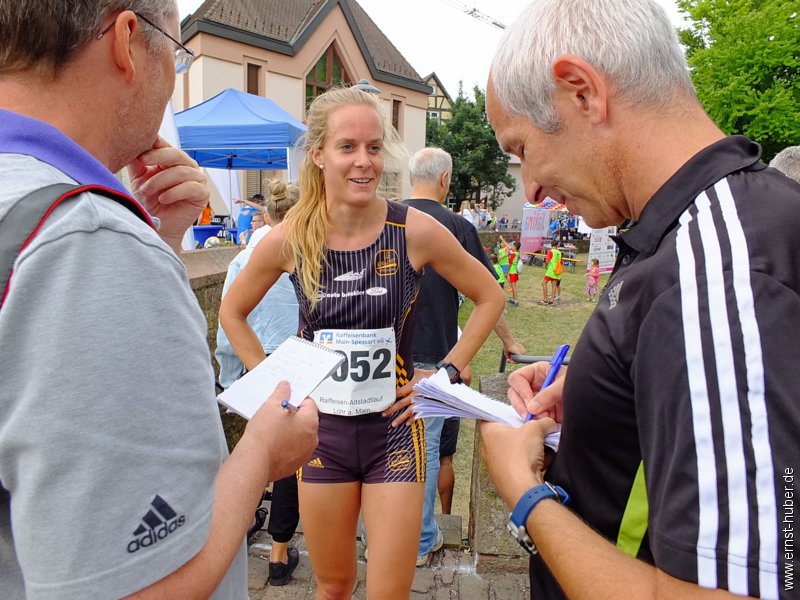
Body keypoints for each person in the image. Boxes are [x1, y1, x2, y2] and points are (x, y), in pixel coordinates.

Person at [481, 1, 800, 598]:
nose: (533, 188)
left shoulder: (713, 268)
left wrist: (527, 499)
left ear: (581, 92)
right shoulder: (689, 233)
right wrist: (605, 392)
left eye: (522, 149)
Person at [0, 2, 319, 598]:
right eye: (177, 53)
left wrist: (159, 241)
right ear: (127, 40)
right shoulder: (84, 241)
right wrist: (258, 457)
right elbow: (138, 586)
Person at [220, 87, 505, 599]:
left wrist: (445, 374)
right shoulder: (291, 236)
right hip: (321, 438)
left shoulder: (413, 229)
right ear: (319, 154)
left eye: (374, 148)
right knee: (333, 587)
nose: (364, 161)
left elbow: (489, 296)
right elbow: (232, 312)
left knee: (388, 592)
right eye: (348, 147)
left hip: (394, 434)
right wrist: (278, 390)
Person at [403, 147, 524, 565]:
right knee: (427, 450)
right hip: (434, 361)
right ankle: (419, 542)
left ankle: (378, 535)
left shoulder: (387, 218)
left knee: (385, 450)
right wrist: (508, 341)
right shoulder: (456, 225)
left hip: (387, 359)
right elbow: (488, 296)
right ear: (445, 181)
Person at [216, 180, 304, 587]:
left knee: (253, 450)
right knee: (287, 459)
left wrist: (233, 371)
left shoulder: (245, 257)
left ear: (267, 215)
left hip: (255, 363)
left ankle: (246, 521)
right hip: (294, 362)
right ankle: (280, 551)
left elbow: (227, 318)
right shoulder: (306, 250)